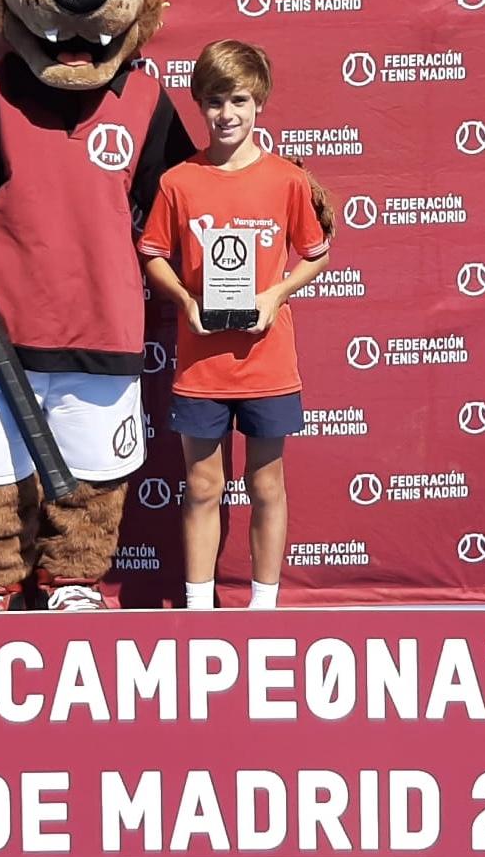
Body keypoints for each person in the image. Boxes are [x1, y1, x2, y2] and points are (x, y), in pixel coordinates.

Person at [138, 40, 332, 609]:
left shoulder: (287, 179)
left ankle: (263, 606)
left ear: (259, 104)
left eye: (239, 100)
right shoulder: (179, 182)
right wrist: (184, 300)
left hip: (269, 364)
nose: (227, 114)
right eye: (216, 101)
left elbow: (315, 252)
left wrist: (275, 294)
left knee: (266, 486)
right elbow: (152, 253)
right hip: (201, 365)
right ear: (200, 104)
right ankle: (200, 609)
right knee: (202, 487)